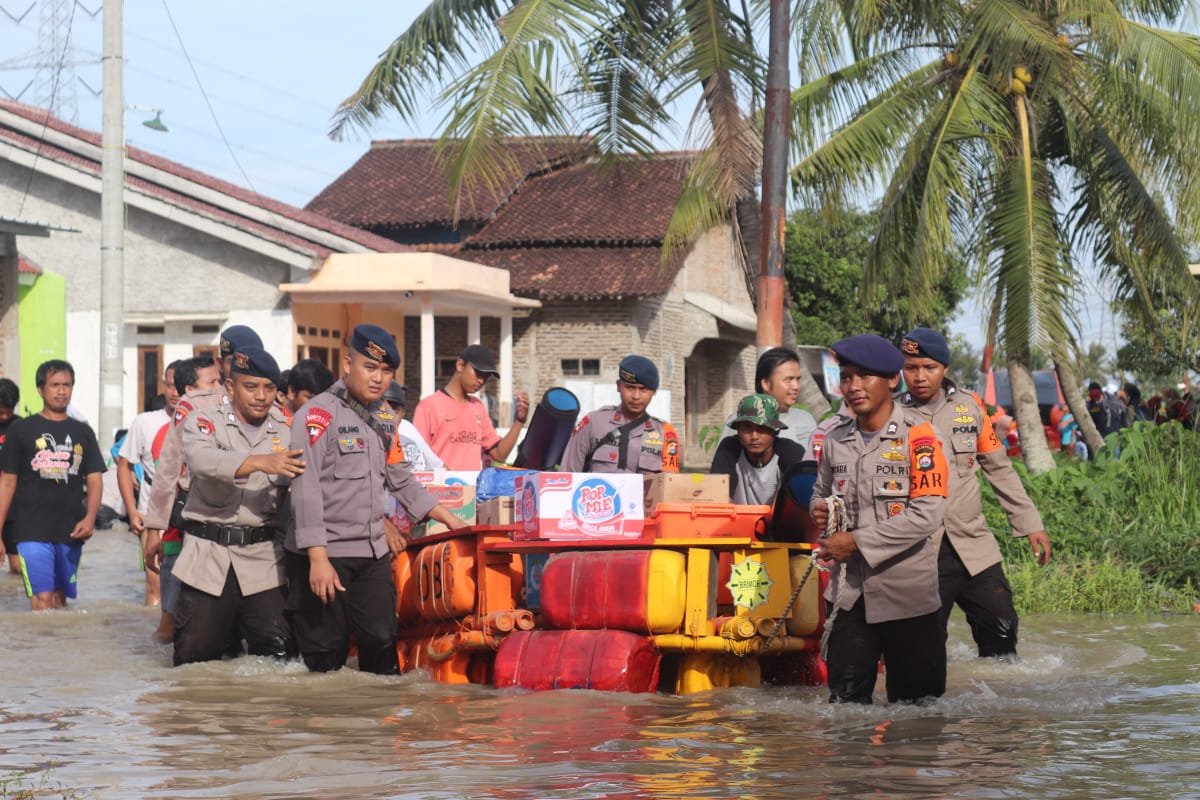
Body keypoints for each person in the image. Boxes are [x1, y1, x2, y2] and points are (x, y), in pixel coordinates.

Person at [287, 324, 469, 674]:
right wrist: (318, 558)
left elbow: (400, 478)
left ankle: (375, 728)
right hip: (327, 552)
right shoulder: (316, 416)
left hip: (370, 551)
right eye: (370, 368)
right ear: (347, 364)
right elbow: (305, 487)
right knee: (327, 653)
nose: (378, 379)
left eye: (386, 371)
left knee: (382, 642)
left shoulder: (385, 417)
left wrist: (448, 518)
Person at [809, 335, 949, 704]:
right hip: (848, 596)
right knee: (845, 710)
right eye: (846, 376)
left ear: (891, 380)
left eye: (864, 376)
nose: (853, 386)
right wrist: (820, 510)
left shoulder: (920, 438)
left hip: (908, 597)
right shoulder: (835, 439)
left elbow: (927, 514)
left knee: (918, 714)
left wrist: (856, 542)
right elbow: (818, 492)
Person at [900, 327, 1051, 660]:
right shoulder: (892, 415)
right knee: (922, 649)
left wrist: (1030, 523)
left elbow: (999, 467)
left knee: (1002, 631)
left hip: (974, 546)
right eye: (912, 368)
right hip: (919, 552)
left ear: (945, 369)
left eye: (929, 367)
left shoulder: (971, 409)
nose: (920, 376)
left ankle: (999, 709)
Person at [172, 346, 299, 665]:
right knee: (194, 665)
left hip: (263, 559)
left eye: (269, 388)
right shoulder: (203, 422)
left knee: (281, 661)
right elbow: (202, 462)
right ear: (230, 388)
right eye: (251, 386)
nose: (261, 396)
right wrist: (260, 462)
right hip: (207, 558)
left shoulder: (286, 433)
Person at [0, 360, 106, 610]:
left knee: (60, 599)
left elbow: (94, 479)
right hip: (29, 529)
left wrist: (90, 518)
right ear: (40, 389)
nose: (61, 391)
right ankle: (36, 646)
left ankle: (57, 647)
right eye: (55, 385)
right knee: (42, 598)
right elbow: (7, 482)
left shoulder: (83, 432)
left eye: (66, 385)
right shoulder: (21, 430)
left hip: (70, 529)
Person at [141, 356, 223, 642]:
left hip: (212, 522)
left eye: (220, 382)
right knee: (170, 617)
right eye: (212, 383)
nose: (219, 389)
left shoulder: (227, 422)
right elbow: (165, 477)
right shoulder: (176, 423)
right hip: (179, 523)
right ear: (191, 390)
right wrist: (155, 530)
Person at [117, 360, 182, 608]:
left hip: (189, 518)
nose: (175, 392)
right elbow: (123, 465)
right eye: (169, 385)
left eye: (179, 386)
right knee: (154, 584)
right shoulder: (144, 422)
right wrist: (132, 511)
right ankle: (150, 641)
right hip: (151, 517)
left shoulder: (204, 420)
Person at [412, 344, 529, 470]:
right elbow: (418, 457)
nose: (481, 381)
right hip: (439, 487)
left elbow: (499, 455)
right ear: (460, 365)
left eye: (486, 377)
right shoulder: (428, 406)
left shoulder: (477, 407)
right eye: (478, 373)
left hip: (471, 488)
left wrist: (519, 421)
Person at [560, 354, 681, 473]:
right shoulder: (593, 423)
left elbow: (669, 484)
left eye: (643, 389)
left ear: (654, 392)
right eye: (630, 387)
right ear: (618, 386)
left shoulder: (666, 433)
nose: (636, 396)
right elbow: (567, 475)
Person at [710, 393, 805, 504]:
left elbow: (800, 499)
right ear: (738, 430)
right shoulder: (729, 449)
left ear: (775, 430)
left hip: (781, 519)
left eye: (762, 428)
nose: (754, 436)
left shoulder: (791, 452)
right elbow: (718, 497)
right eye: (747, 428)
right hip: (738, 519)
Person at [719, 347, 818, 450]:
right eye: (789, 379)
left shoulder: (806, 419)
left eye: (797, 379)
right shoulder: (742, 422)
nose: (796, 386)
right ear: (766, 383)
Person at [384, 381, 443, 471]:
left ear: (403, 413)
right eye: (383, 410)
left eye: (395, 412)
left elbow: (437, 466)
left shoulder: (408, 430)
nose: (389, 416)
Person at [0, 378, 22, 574]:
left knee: (18, 568)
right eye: (0, 411)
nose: (5, 415)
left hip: (15, 507)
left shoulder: (21, 427)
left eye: (9, 410)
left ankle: (15, 602)